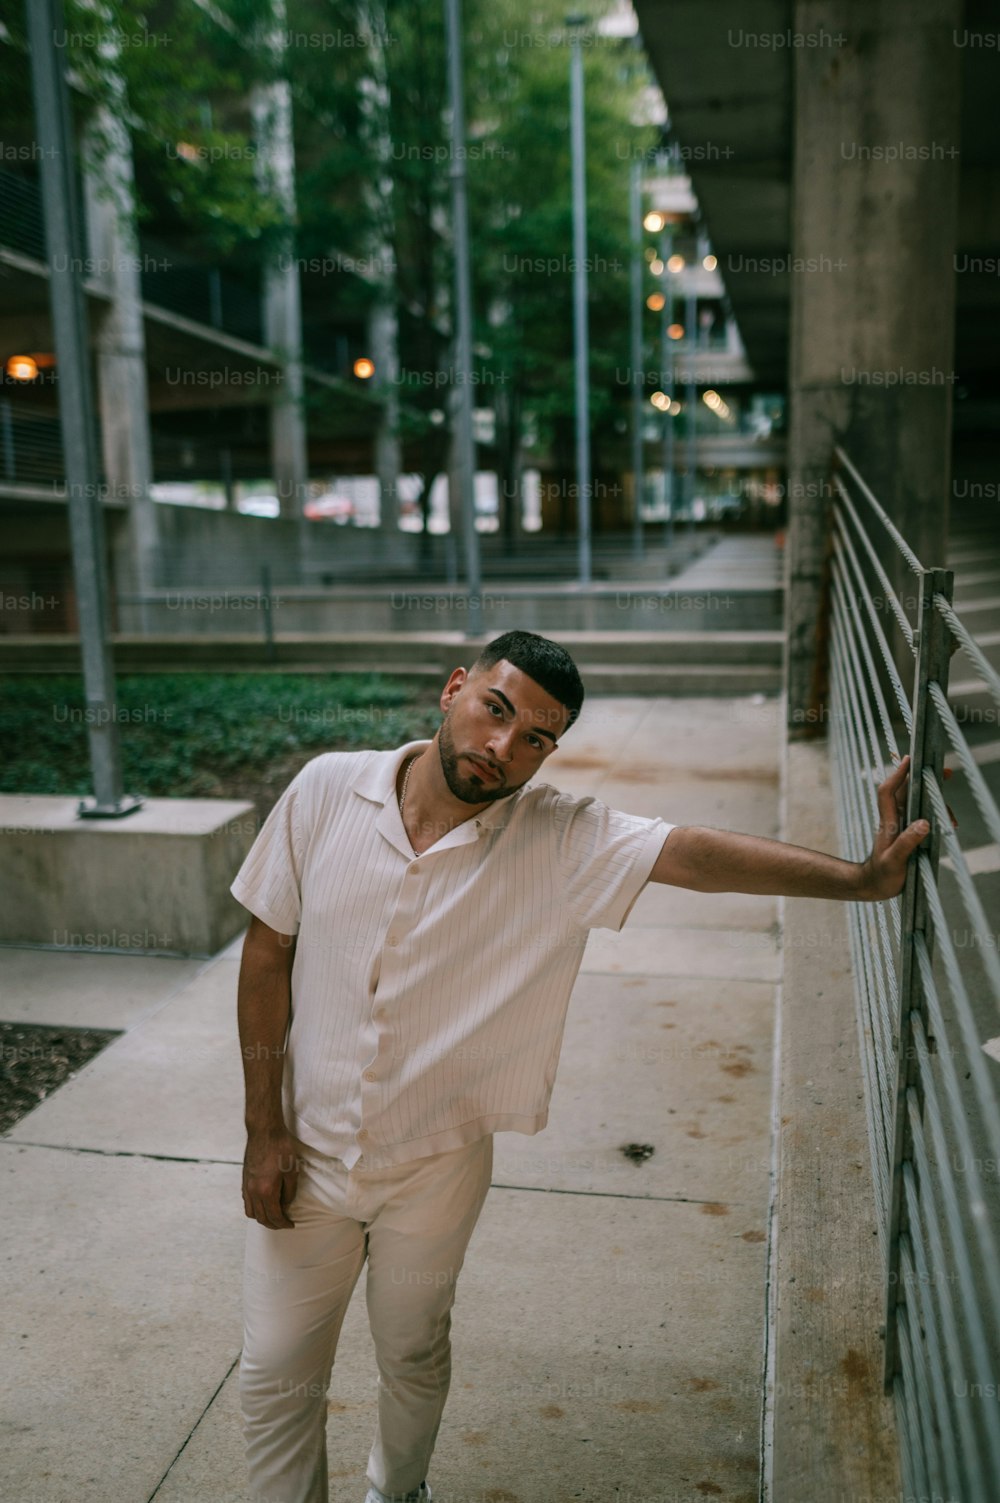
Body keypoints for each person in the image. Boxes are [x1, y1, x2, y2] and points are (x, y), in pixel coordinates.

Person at [232, 628, 928, 1503]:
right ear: (454, 689)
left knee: (412, 1348)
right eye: (496, 710)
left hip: (436, 1168)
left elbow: (695, 854)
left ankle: (396, 1491)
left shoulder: (559, 838)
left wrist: (861, 880)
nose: (503, 748)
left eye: (536, 738)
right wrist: (263, 1127)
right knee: (274, 1373)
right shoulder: (327, 790)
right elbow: (267, 950)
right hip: (306, 1154)